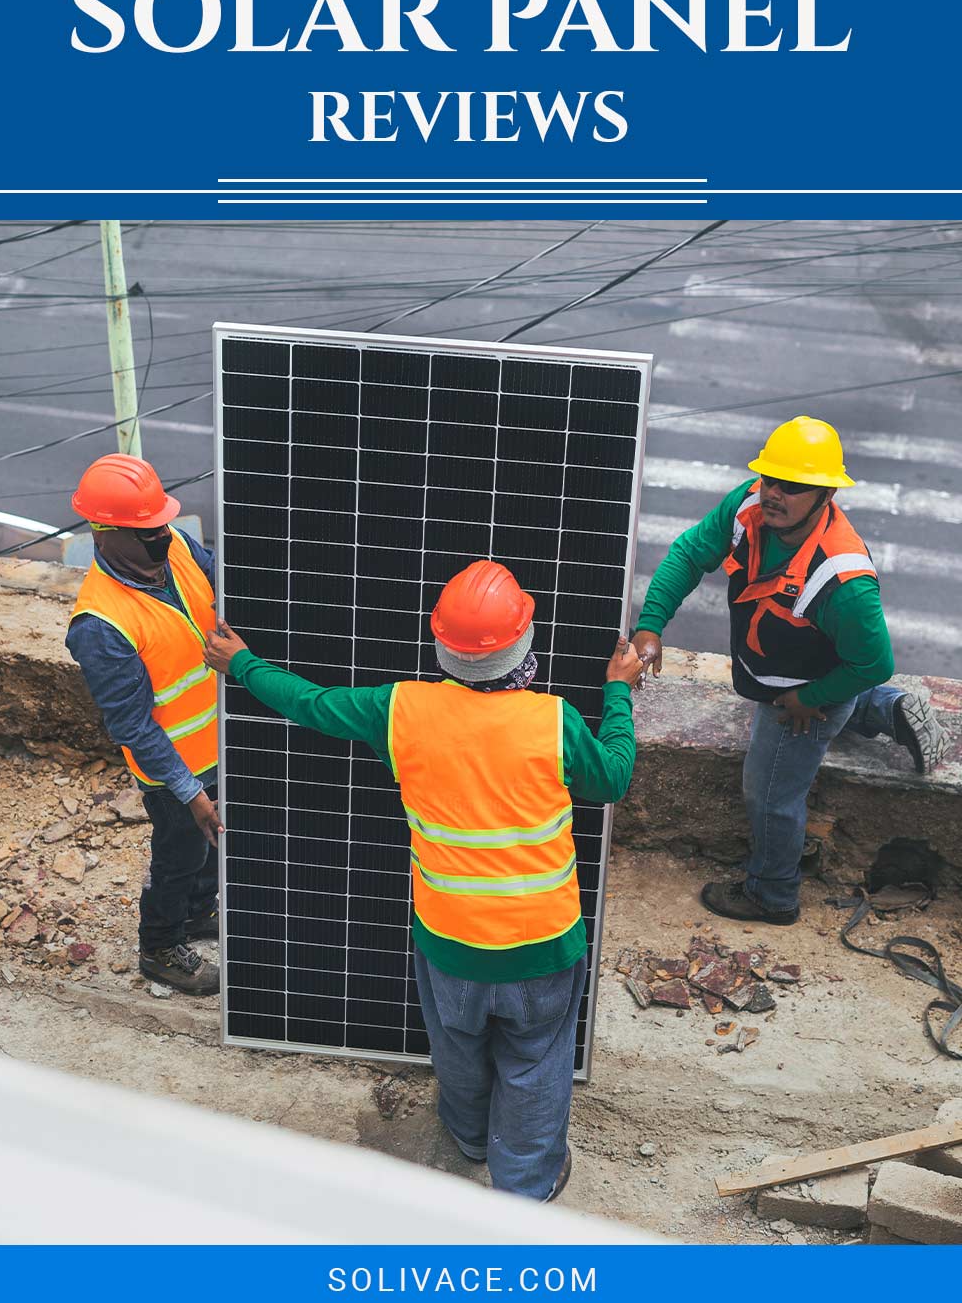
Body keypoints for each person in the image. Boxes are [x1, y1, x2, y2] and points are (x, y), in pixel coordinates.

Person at [203, 559, 643, 1202]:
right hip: (542, 945)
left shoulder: (402, 709)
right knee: (535, 1063)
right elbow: (613, 777)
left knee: (459, 1046)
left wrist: (241, 663)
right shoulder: (554, 721)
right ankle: (526, 1183)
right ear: (524, 644)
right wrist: (619, 690)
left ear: (442, 645)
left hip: (448, 942)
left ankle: (467, 1138)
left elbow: (312, 705)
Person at [632, 415, 947, 927]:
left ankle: (772, 894)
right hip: (779, 669)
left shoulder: (842, 578)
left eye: (793, 486)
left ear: (825, 493)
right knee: (831, 711)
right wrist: (651, 625)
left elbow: (874, 661)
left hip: (801, 693)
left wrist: (812, 698)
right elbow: (690, 554)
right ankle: (886, 710)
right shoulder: (750, 504)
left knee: (772, 792)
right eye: (770, 479)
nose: (774, 493)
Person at [65, 454, 222, 996]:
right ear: (103, 534)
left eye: (161, 525)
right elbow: (132, 725)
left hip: (216, 744)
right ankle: (159, 948)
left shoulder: (173, 544)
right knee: (179, 855)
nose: (162, 537)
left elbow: (215, 577)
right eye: (147, 532)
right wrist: (189, 791)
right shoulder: (101, 625)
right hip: (172, 768)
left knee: (208, 849)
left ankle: (200, 914)